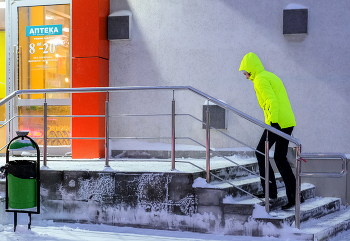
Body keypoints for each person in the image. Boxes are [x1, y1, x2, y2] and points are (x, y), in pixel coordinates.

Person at [239, 52, 302, 210]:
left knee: (261, 152)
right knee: (280, 157)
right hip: (287, 121)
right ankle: (294, 196)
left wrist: (272, 123)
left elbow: (272, 101)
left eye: (246, 73)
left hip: (277, 121)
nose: (246, 77)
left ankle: (270, 191)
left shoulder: (259, 79)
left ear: (251, 70)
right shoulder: (269, 75)